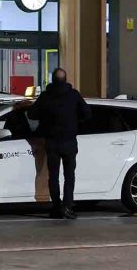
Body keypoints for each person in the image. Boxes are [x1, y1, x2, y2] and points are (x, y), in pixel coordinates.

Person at [28, 68, 91, 219]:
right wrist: (75, 123)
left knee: (53, 176)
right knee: (69, 176)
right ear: (66, 79)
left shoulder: (45, 96)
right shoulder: (73, 95)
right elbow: (87, 113)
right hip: (69, 141)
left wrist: (45, 118)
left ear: (52, 79)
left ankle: (56, 206)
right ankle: (68, 207)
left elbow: (32, 114)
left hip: (52, 142)